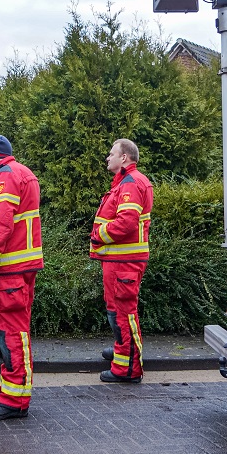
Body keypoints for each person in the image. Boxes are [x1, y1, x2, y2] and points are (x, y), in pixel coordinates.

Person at [0, 134, 42, 420]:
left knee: (12, 334)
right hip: (16, 267)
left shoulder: (5, 176)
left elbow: (1, 224)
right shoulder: (18, 173)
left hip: (10, 268)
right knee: (12, 332)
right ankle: (9, 390)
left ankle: (15, 400)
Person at [90, 139, 153, 384]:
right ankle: (122, 353)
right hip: (119, 260)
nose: (108, 157)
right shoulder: (126, 182)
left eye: (111, 153)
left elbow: (126, 222)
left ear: (124, 157)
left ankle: (128, 369)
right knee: (116, 312)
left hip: (124, 262)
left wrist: (98, 236)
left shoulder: (131, 183)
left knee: (123, 314)